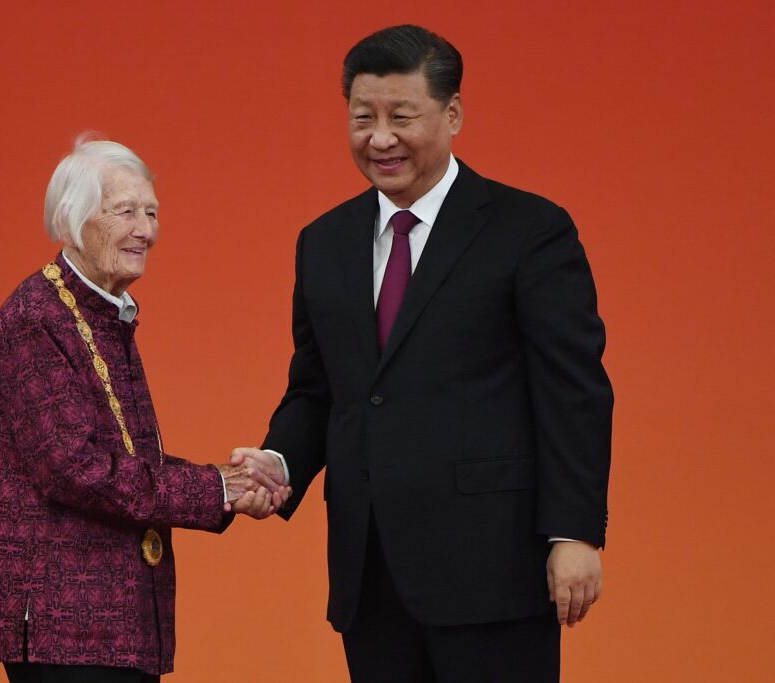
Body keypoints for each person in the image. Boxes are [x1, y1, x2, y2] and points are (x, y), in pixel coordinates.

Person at [232, 25, 613, 682]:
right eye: (363, 118)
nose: (380, 138)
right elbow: (321, 389)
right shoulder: (324, 241)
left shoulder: (528, 230)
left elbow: (573, 390)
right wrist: (279, 458)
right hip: (370, 572)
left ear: (453, 113)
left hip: (493, 570)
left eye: (400, 116)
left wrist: (574, 532)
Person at [0, 135, 287, 683]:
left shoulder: (103, 311)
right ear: (74, 220)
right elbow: (79, 471)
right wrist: (218, 488)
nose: (146, 230)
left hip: (111, 630)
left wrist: (226, 484)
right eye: (126, 212)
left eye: (151, 212)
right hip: (64, 629)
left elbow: (134, 462)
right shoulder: (37, 318)